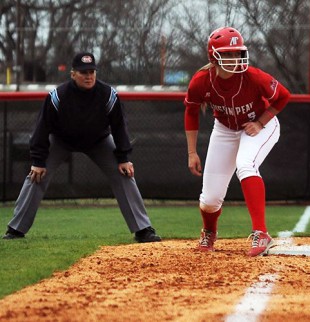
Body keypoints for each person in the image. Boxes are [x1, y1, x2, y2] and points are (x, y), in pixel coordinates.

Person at [2, 52, 161, 243]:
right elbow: (41, 128)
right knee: (37, 174)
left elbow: (120, 127)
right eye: (83, 72)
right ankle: (16, 229)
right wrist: (38, 161)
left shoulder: (108, 95)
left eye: (92, 71)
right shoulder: (58, 96)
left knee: (124, 173)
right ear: (73, 74)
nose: (88, 76)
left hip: (98, 141)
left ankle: (143, 229)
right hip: (60, 140)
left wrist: (124, 157)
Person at [184, 27, 291, 256]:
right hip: (224, 129)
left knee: (246, 164)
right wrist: (192, 152)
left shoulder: (253, 76)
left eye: (237, 53)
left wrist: (261, 122)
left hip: (259, 126)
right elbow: (191, 112)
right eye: (228, 54)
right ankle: (209, 232)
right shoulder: (201, 81)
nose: (235, 59)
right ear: (214, 56)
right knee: (210, 199)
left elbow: (283, 96)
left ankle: (261, 233)